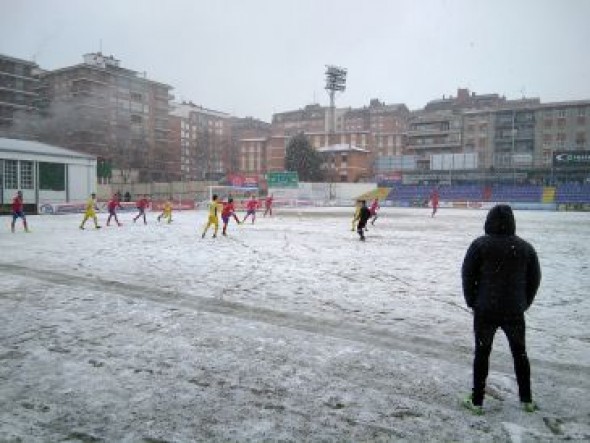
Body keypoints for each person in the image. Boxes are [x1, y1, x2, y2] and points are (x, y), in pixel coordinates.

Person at [461, 204, 541, 415]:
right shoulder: (525, 247)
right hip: (514, 310)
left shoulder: (480, 245)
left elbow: (467, 274)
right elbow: (535, 278)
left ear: (488, 221)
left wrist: (472, 301)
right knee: (520, 353)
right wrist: (524, 303)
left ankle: (477, 401)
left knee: (482, 353)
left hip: (485, 309)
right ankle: (527, 400)